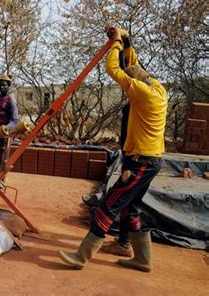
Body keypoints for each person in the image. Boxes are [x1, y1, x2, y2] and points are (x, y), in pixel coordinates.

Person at [57, 27, 167, 272]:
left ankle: (82, 257)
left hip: (139, 162)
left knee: (108, 206)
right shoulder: (158, 88)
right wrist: (127, 40)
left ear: (135, 86)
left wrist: (116, 42)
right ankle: (143, 259)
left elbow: (113, 70)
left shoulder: (142, 94)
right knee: (131, 208)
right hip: (152, 160)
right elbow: (133, 65)